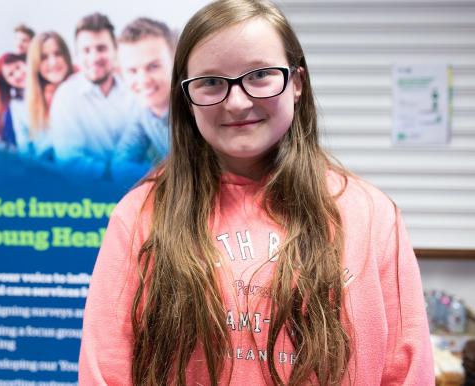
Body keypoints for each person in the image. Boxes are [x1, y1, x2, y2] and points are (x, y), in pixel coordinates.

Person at [79, 1, 434, 385]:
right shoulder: (140, 216)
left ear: (297, 83)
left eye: (260, 75)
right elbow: (106, 371)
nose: (237, 102)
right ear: (186, 97)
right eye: (211, 82)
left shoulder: (371, 216)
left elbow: (406, 371)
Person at [49, 12, 138, 180]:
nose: (94, 57)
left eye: (101, 48)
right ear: (77, 55)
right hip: (88, 198)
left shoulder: (134, 88)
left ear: (115, 51)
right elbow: (70, 161)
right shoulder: (65, 96)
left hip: (139, 192)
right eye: (86, 50)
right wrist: (114, 174)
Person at [112, 17, 176, 179]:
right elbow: (120, 164)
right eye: (132, 71)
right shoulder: (143, 111)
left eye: (153, 66)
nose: (143, 80)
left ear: (176, 63)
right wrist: (159, 175)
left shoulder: (198, 108)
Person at [16, 31, 74, 161]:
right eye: (44, 57)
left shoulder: (84, 91)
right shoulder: (23, 108)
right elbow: (25, 155)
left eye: (58, 54)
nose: (53, 62)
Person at [0, 52, 26, 147]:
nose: (18, 75)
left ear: (25, 63)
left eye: (18, 67)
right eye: (11, 74)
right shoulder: (16, 104)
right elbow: (23, 141)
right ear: (7, 83)